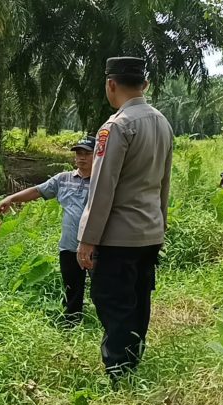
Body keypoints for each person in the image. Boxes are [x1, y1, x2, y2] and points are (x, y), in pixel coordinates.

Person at [75, 57, 173, 377]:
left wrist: (87, 239)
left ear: (111, 84)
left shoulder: (117, 126)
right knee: (139, 299)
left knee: (112, 299)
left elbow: (102, 187)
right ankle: (132, 358)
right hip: (150, 232)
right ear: (144, 84)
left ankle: (118, 368)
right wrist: (161, 225)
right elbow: (164, 183)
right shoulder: (162, 122)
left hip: (119, 236)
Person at [0, 136, 95, 326]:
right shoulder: (63, 179)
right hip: (69, 246)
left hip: (95, 246)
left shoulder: (102, 182)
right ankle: (72, 326)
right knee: (72, 289)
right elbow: (37, 191)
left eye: (86, 153)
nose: (81, 157)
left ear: (97, 155)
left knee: (102, 289)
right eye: (78, 153)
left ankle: (107, 327)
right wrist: (11, 199)